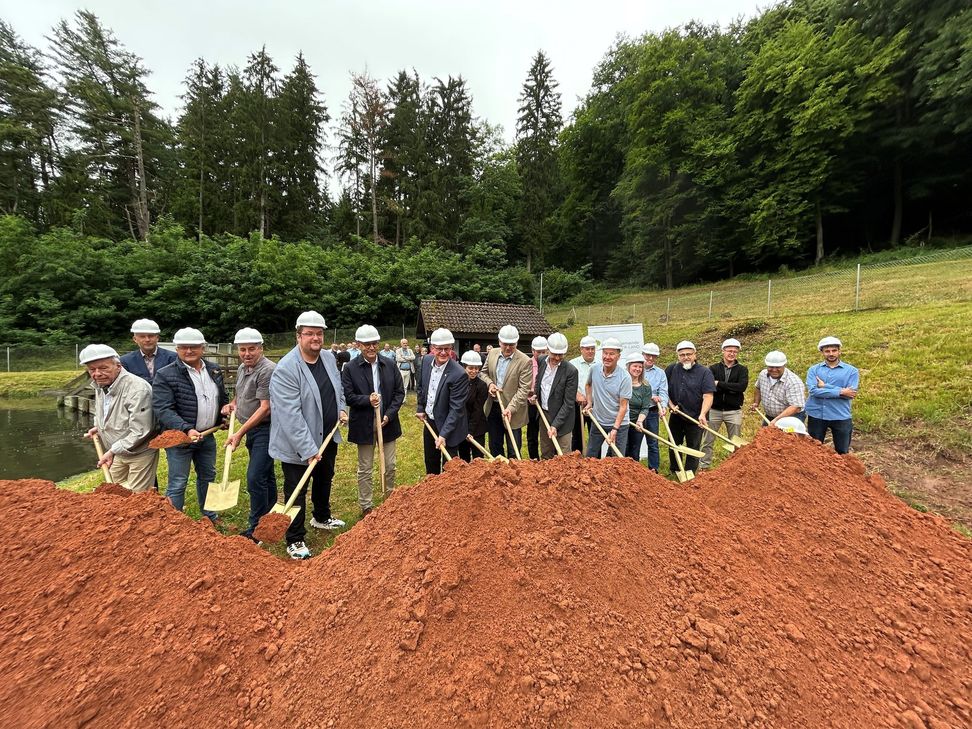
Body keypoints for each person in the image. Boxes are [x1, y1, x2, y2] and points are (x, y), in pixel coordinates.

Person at [269, 311, 348, 560]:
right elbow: (290, 416)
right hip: (298, 443)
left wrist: (342, 408)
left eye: (319, 333)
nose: (315, 338)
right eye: (309, 333)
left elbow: (338, 388)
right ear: (298, 336)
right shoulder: (286, 369)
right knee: (297, 489)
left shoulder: (328, 357)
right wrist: (309, 448)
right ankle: (294, 538)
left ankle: (321, 517)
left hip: (327, 435)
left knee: (325, 478)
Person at [152, 327, 228, 523]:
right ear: (177, 349)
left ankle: (210, 516)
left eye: (193, 347)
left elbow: (221, 396)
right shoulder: (165, 374)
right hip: (181, 439)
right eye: (183, 347)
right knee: (178, 482)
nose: (188, 351)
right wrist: (186, 428)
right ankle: (174, 523)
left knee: (208, 476)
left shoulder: (214, 369)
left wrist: (222, 417)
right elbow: (163, 409)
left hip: (207, 435)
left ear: (202, 348)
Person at [341, 325, 406, 517]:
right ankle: (366, 505)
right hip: (364, 424)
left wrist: (389, 414)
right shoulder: (350, 368)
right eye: (367, 344)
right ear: (359, 345)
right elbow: (348, 396)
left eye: (374, 343)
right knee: (365, 468)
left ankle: (390, 498)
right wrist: (367, 400)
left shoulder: (389, 364)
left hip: (387, 423)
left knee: (390, 465)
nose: (371, 347)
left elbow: (399, 393)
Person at [81, 344, 159, 492]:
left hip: (139, 451)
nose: (97, 373)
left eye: (103, 368)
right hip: (117, 450)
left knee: (138, 495)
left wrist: (112, 451)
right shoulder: (101, 384)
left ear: (118, 366)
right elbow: (104, 410)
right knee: (114, 492)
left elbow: (140, 430)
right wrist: (99, 426)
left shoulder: (138, 389)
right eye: (92, 369)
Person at [223, 328, 276, 541]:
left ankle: (257, 529)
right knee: (265, 474)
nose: (247, 354)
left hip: (266, 429)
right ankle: (271, 515)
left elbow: (265, 407)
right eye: (242, 349)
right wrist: (233, 403)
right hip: (252, 429)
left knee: (255, 477)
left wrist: (239, 433)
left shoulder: (267, 370)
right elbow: (241, 392)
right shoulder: (243, 368)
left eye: (252, 349)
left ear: (261, 348)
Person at [416, 328, 468, 473]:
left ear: (451, 349)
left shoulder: (459, 374)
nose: (444, 352)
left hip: (450, 426)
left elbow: (456, 409)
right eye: (439, 349)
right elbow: (421, 386)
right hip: (431, 422)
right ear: (432, 348)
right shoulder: (426, 361)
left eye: (447, 349)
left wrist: (444, 434)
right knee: (430, 462)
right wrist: (421, 408)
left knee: (449, 469)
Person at [481, 325, 532, 458]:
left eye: (512, 345)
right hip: (493, 407)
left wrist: (510, 408)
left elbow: (524, 389)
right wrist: (490, 384)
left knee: (513, 450)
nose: (508, 348)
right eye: (505, 344)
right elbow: (483, 373)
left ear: (517, 343)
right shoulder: (492, 353)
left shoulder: (525, 361)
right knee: (495, 446)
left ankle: (513, 470)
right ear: (499, 342)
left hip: (512, 410)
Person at [665, 341, 715, 474]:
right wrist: (671, 405)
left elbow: (708, 395)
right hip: (676, 415)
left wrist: (703, 414)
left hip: (696, 417)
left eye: (689, 354)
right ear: (678, 356)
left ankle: (690, 472)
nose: (686, 357)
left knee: (693, 446)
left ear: (695, 355)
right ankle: (676, 470)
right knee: (673, 443)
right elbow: (664, 391)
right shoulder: (671, 369)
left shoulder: (705, 372)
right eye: (682, 355)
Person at [701, 338, 749, 469]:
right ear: (723, 351)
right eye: (729, 351)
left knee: (735, 441)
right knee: (707, 440)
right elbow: (710, 386)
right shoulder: (713, 368)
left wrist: (720, 384)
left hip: (733, 411)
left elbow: (741, 387)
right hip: (714, 410)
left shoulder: (742, 370)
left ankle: (734, 467)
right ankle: (704, 466)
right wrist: (731, 387)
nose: (732, 354)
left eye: (735, 351)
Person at [805, 336, 859, 455]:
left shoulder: (852, 371)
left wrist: (825, 386)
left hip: (840, 415)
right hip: (816, 414)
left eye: (834, 350)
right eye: (827, 351)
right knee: (814, 451)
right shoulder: (813, 370)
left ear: (839, 351)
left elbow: (850, 394)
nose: (831, 354)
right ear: (822, 352)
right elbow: (813, 391)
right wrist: (841, 391)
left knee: (842, 451)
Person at [529, 332, 577, 459]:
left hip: (563, 418)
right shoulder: (541, 361)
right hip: (544, 414)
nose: (557, 357)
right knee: (546, 453)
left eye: (560, 354)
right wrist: (536, 395)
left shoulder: (571, 371)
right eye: (554, 354)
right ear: (548, 350)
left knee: (564, 456)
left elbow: (568, 403)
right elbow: (539, 380)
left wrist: (555, 425)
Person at [584, 338, 630, 458]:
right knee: (590, 456)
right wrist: (589, 403)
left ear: (618, 356)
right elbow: (588, 385)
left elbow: (623, 406)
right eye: (605, 353)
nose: (607, 357)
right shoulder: (594, 369)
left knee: (617, 459)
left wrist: (615, 429)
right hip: (599, 420)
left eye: (612, 354)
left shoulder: (625, 377)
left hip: (619, 423)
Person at [752, 351, 806, 425]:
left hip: (791, 418)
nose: (774, 370)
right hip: (770, 416)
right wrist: (756, 402)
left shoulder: (793, 382)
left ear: (784, 365)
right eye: (771, 367)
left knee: (785, 433)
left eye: (778, 367)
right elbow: (758, 387)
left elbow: (796, 407)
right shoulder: (763, 374)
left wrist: (776, 420)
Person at [120, 319, 177, 383]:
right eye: (142, 337)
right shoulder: (125, 361)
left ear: (157, 338)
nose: (147, 340)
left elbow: (175, 381)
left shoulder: (173, 358)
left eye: (151, 336)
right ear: (135, 339)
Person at [457, 350, 489, 462]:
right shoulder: (458, 383)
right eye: (470, 368)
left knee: (478, 460)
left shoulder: (482, 386)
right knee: (464, 458)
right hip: (461, 427)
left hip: (477, 428)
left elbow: (477, 410)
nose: (474, 371)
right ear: (464, 367)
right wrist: (462, 429)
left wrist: (470, 431)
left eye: (476, 368)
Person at [641, 342, 669, 472]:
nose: (650, 358)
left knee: (653, 442)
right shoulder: (635, 369)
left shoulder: (660, 373)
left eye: (654, 356)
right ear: (643, 354)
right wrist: (650, 396)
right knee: (634, 442)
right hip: (637, 411)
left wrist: (663, 406)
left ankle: (653, 470)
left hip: (652, 411)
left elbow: (663, 391)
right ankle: (633, 470)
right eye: (648, 355)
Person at [569, 335, 597, 453]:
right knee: (577, 435)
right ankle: (577, 459)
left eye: (592, 348)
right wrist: (577, 395)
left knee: (595, 435)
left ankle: (595, 460)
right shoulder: (572, 364)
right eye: (587, 349)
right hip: (578, 404)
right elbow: (568, 384)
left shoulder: (600, 364)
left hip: (595, 405)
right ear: (581, 349)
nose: (590, 351)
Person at [624, 354, 653, 464]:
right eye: (635, 366)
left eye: (640, 367)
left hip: (637, 423)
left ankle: (633, 473)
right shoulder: (621, 383)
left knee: (634, 452)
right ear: (628, 367)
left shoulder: (646, 386)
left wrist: (639, 421)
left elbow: (645, 407)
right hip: (622, 422)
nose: (637, 369)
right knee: (622, 449)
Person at [526, 335, 549, 459]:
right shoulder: (527, 364)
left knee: (547, 432)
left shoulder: (550, 364)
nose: (540, 355)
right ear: (532, 351)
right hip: (531, 404)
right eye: (538, 352)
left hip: (546, 403)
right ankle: (534, 459)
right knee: (532, 434)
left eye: (543, 352)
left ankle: (548, 458)